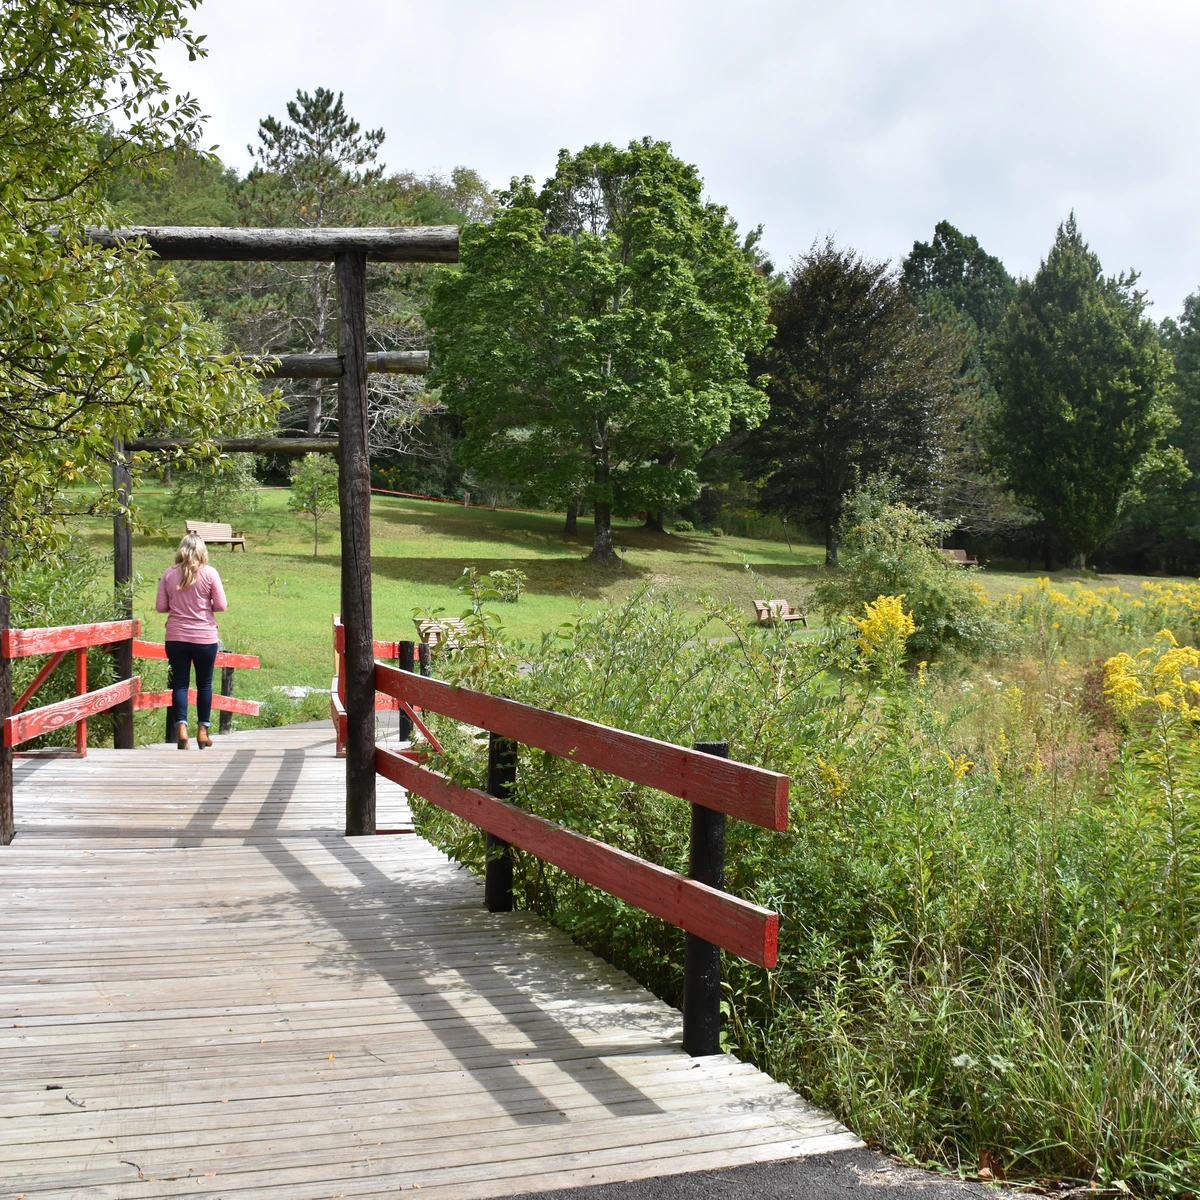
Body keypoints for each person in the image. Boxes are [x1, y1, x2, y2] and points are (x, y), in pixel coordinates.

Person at [156, 533, 228, 750]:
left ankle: (181, 729)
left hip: (176, 637)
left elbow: (161, 607)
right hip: (204, 637)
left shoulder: (169, 574)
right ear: (202, 551)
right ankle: (203, 731)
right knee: (204, 684)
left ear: (181, 550)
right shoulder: (209, 573)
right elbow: (221, 605)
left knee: (180, 683)